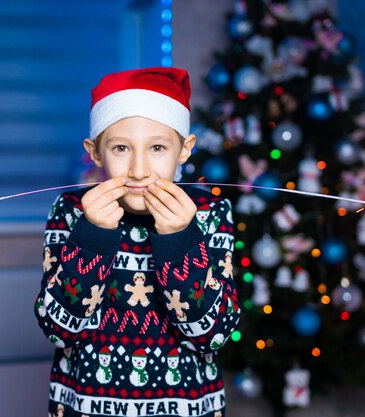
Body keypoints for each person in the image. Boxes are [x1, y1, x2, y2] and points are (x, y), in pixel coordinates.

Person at [35, 67, 240, 417]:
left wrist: (179, 239)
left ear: (185, 150)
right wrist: (92, 237)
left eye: (158, 147)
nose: (140, 169)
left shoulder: (208, 213)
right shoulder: (71, 212)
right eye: (121, 148)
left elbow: (214, 335)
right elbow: (58, 330)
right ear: (96, 152)